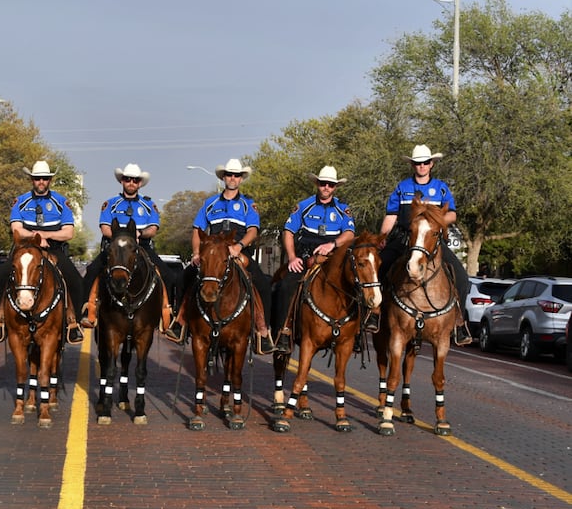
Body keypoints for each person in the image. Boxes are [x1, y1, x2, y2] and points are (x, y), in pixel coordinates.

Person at [162, 158, 274, 355]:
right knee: (183, 278)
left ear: (241, 179)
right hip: (212, 250)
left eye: (236, 175)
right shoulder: (210, 203)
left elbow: (253, 231)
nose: (232, 178)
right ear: (224, 177)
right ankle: (179, 322)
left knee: (263, 284)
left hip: (237, 250)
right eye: (229, 174)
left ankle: (263, 331)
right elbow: (197, 229)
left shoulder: (249, 204)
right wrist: (197, 253)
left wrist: (239, 247)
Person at [375, 145, 472, 346]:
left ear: (431, 164)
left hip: (432, 241)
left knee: (462, 278)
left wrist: (437, 220)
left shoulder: (441, 188)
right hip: (404, 238)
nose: (422, 166)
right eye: (418, 163)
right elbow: (391, 215)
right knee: (377, 268)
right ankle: (373, 314)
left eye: (425, 162)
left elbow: (452, 214)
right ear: (412, 164)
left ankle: (458, 323)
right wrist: (382, 237)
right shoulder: (402, 188)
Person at [0, 161, 84, 344]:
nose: (41, 181)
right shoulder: (21, 201)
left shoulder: (60, 202)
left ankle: (74, 323)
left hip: (53, 249)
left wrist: (46, 236)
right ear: (32, 180)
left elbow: (69, 232)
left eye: (44, 178)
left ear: (50, 180)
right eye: (37, 178)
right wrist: (35, 237)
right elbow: (16, 228)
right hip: (25, 249)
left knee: (76, 280)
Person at [80, 163, 176, 330]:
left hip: (142, 246)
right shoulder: (110, 204)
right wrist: (122, 237)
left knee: (167, 275)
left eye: (135, 180)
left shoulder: (149, 205)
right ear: (122, 181)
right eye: (127, 179)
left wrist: (140, 234)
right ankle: (85, 313)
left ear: (140, 183)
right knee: (92, 271)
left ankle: (168, 316)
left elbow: (153, 229)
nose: (131, 182)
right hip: (115, 246)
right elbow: (105, 228)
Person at [272, 165, 356, 353]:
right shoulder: (303, 206)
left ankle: (355, 333)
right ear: (317, 184)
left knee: (358, 282)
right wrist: (292, 257)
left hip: (333, 257)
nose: (327, 187)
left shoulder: (343, 209)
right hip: (306, 255)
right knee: (286, 286)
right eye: (323, 183)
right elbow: (288, 232)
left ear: (335, 187)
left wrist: (332, 244)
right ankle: (283, 332)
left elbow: (350, 234)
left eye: (331, 185)